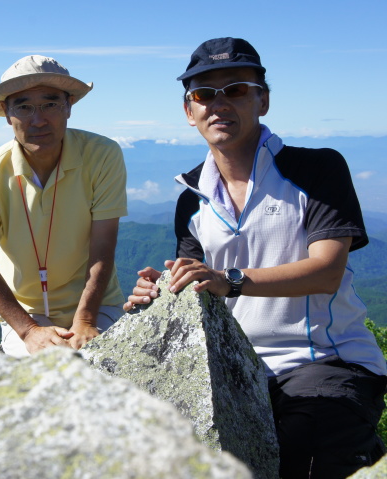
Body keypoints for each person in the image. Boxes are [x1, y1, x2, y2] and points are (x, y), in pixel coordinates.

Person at [124, 37, 387, 478]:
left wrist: (231, 279)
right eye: (203, 94)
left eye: (237, 90)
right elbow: (197, 285)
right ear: (189, 112)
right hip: (236, 368)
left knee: (301, 453)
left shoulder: (316, 170)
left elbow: (327, 270)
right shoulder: (191, 199)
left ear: (262, 100)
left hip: (325, 362)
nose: (218, 104)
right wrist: (159, 294)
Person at [0, 55, 127, 359]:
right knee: (48, 378)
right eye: (24, 106)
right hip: (27, 313)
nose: (38, 119)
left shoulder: (102, 155)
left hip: (98, 304)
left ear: (69, 106)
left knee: (101, 368)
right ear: (6, 112)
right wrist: (28, 331)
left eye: (50, 104)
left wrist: (85, 320)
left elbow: (103, 246)